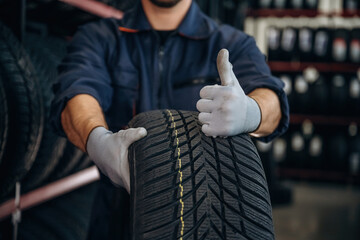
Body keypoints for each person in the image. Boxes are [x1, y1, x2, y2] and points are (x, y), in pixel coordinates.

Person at [50, 0, 289, 238]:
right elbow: (76, 91)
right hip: (117, 216)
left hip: (208, 218)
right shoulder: (100, 36)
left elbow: (272, 102)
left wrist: (252, 111)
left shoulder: (231, 43)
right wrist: (96, 139)